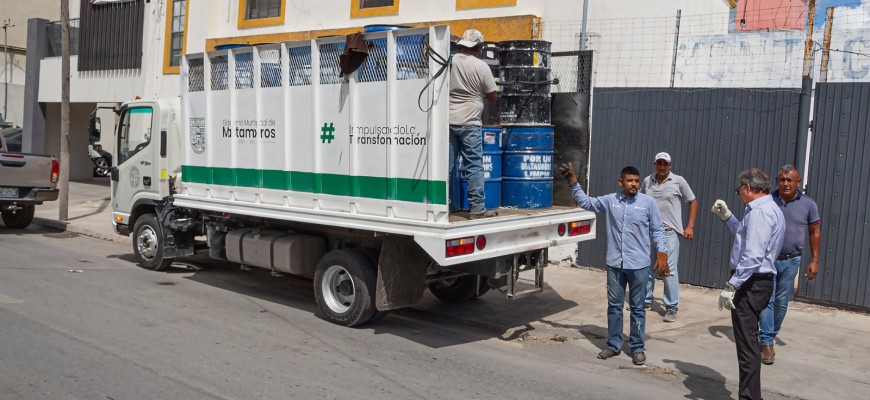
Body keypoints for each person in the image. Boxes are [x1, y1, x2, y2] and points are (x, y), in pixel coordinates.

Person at [558, 163, 669, 366]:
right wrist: (573, 182)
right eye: (629, 180)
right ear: (621, 182)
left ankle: (637, 348)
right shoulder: (611, 201)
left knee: (637, 308)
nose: (634, 184)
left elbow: (657, 230)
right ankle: (614, 344)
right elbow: (586, 202)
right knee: (615, 306)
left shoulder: (648, 203)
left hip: (639, 266)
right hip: (615, 265)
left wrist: (662, 253)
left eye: (636, 180)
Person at [711, 168, 785, 400]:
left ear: (747, 188)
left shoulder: (760, 213)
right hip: (757, 281)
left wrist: (732, 285)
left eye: (739, 190)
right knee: (748, 344)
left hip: (751, 282)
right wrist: (728, 217)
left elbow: (753, 255)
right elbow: (744, 236)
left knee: (747, 346)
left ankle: (750, 397)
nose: (739, 194)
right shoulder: (766, 208)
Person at [758, 165, 821, 365]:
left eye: (790, 180)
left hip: (792, 260)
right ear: (777, 181)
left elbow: (814, 232)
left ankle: (769, 334)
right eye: (782, 180)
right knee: (766, 299)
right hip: (768, 259)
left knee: (781, 301)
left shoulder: (808, 204)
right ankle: (767, 342)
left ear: (798, 182)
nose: (785, 183)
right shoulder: (768, 201)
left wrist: (814, 260)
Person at [641, 152, 698, 322]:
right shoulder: (647, 181)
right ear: (654, 164)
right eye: (659, 163)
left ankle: (671, 307)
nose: (662, 166)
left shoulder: (678, 181)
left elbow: (693, 201)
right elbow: (642, 204)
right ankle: (646, 301)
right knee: (646, 268)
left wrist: (689, 226)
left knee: (668, 271)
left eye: (665, 164)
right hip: (648, 232)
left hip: (668, 233)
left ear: (670, 166)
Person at [449, 29, 498, 219]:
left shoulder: (449, 62)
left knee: (446, 166)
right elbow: (492, 96)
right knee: (474, 166)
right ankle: (477, 209)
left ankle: (441, 207)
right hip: (470, 123)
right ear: (478, 48)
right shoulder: (481, 66)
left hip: (448, 121)